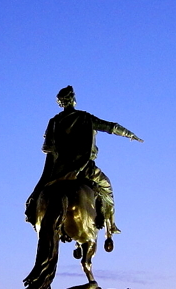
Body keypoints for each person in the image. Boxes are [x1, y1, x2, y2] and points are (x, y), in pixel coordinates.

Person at [25, 86, 142, 247]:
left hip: (57, 170)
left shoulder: (53, 122)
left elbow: (47, 148)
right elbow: (110, 127)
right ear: (73, 99)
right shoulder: (85, 117)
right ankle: (110, 226)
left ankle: (33, 213)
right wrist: (130, 135)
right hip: (84, 168)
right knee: (107, 187)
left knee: (36, 196)